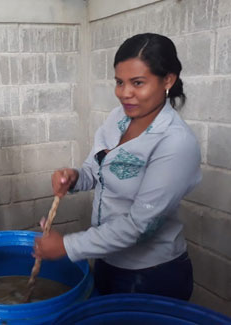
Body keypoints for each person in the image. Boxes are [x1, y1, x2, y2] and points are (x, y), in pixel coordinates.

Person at [34, 33, 201, 300]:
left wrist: (67, 246)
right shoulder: (118, 118)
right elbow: (95, 168)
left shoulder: (175, 143)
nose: (125, 94)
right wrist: (75, 177)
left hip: (150, 274)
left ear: (168, 80)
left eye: (138, 83)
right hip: (107, 260)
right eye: (119, 82)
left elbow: (139, 226)